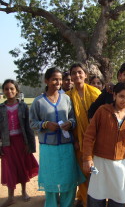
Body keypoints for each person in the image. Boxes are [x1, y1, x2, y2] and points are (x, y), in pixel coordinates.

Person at [82, 82, 125, 207]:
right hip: (99, 163)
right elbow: (89, 136)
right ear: (114, 96)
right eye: (121, 96)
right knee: (96, 196)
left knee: (118, 199)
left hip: (119, 165)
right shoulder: (102, 111)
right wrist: (87, 158)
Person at [30, 67, 85, 207]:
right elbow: (32, 123)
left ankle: (67, 204)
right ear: (46, 80)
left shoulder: (66, 98)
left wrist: (70, 123)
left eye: (60, 79)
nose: (58, 82)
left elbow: (73, 118)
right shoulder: (38, 102)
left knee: (69, 179)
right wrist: (45, 124)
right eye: (54, 79)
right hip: (49, 148)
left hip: (67, 146)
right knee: (51, 180)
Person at [65, 63, 101, 207]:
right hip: (78, 141)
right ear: (71, 77)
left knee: (97, 172)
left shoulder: (95, 93)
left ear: (85, 75)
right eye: (74, 73)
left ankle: (97, 199)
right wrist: (74, 139)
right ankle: (86, 201)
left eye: (80, 72)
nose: (77, 75)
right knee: (83, 172)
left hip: (97, 141)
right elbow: (67, 120)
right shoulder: (66, 97)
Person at [0, 79, 38, 207]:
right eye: (6, 89)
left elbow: (28, 126)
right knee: (9, 169)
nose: (9, 91)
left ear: (16, 90)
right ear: (3, 91)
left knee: (22, 167)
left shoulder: (23, 106)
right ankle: (10, 197)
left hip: (22, 142)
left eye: (12, 88)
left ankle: (23, 191)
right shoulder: (1, 108)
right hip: (7, 144)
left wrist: (30, 144)